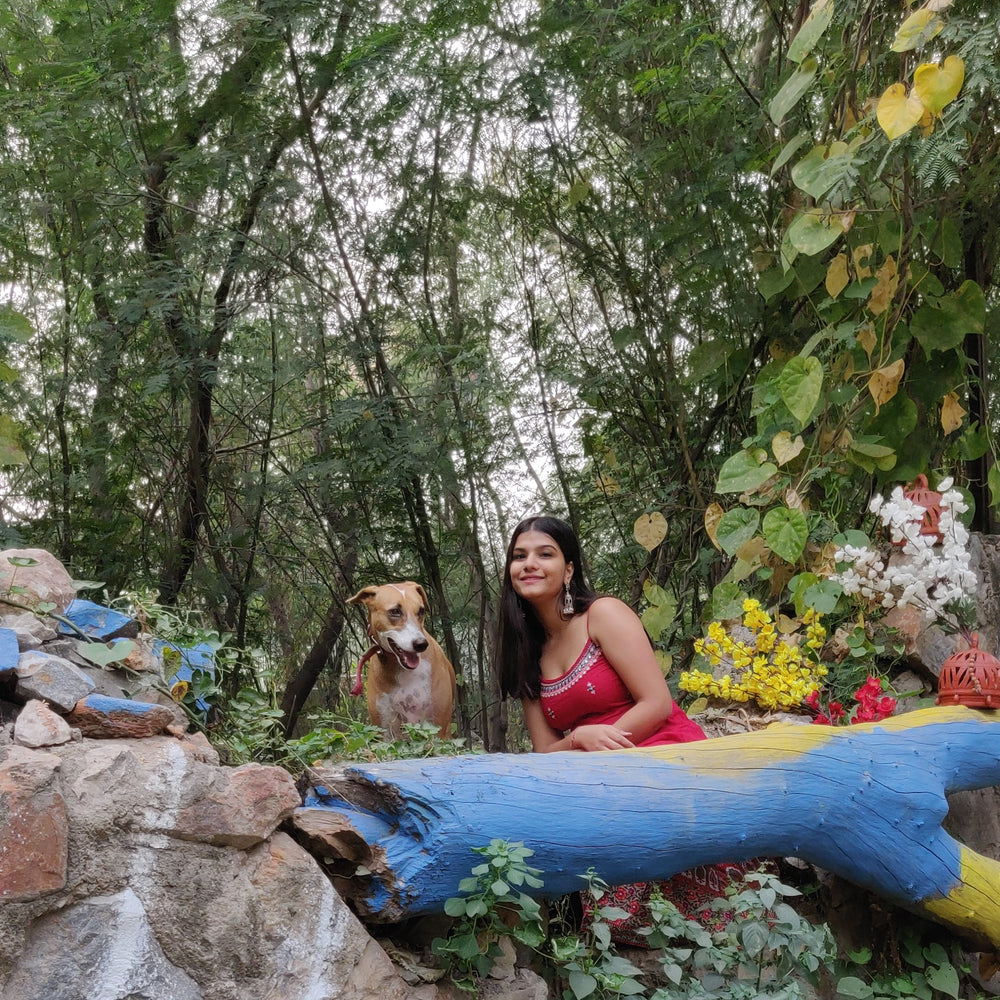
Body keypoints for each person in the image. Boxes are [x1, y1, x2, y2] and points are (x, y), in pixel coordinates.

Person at [496, 514, 756, 945]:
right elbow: (545, 752)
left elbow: (657, 703)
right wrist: (581, 738)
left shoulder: (603, 615)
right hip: (593, 774)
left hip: (659, 751)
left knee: (727, 915)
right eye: (519, 556)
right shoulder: (527, 653)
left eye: (545, 554)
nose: (530, 564)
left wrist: (603, 740)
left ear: (569, 569)